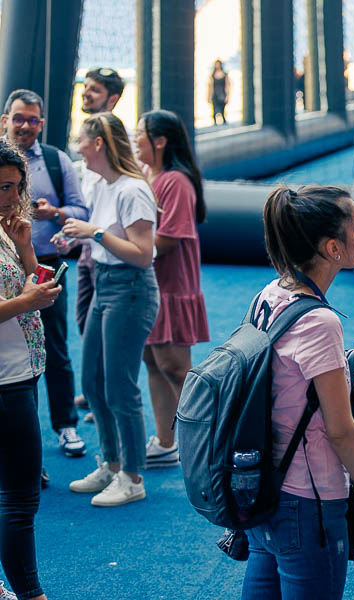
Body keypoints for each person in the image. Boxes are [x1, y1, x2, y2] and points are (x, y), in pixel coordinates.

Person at [240, 185, 354, 599]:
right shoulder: (321, 322)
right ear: (332, 248)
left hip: (266, 488)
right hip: (309, 500)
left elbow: (283, 383)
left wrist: (341, 371)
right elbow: (340, 432)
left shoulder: (270, 295)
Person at [61, 113, 159, 507]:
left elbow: (142, 254)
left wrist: (93, 233)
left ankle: (132, 477)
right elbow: (101, 238)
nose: (77, 146)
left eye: (80, 139)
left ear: (98, 142)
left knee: (119, 387)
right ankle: (113, 462)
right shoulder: (99, 182)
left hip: (130, 290)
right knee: (93, 382)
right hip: (106, 283)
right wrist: (76, 234)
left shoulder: (132, 189)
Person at [2, 89, 89, 459]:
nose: (25, 126)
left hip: (41, 264)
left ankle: (63, 425)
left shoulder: (55, 160)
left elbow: (81, 211)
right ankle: (22, 444)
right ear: (5, 120)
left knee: (50, 346)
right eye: (19, 118)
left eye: (33, 120)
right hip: (14, 269)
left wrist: (54, 212)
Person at [0, 139, 60, 600]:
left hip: (22, 370)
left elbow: (28, 282)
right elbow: (20, 299)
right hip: (6, 380)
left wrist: (24, 249)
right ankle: (32, 595)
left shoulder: (6, 228)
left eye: (15, 187)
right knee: (20, 500)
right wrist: (27, 300)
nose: (9, 197)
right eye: (1, 187)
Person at [134, 110, 210, 468]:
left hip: (172, 286)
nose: (135, 141)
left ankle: (205, 442)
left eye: (140, 135)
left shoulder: (176, 181)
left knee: (176, 367)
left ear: (160, 141)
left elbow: (171, 235)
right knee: (153, 361)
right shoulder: (151, 175)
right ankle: (166, 440)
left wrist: (127, 250)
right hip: (152, 285)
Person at [74, 67, 127, 419]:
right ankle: (95, 386)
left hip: (105, 249)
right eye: (86, 88)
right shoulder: (84, 137)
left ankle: (105, 396)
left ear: (113, 98)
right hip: (87, 247)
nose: (86, 94)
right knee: (85, 319)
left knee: (109, 329)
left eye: (94, 90)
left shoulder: (115, 142)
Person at [208, 59, 231, 125]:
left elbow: (227, 85)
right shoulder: (212, 75)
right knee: (214, 109)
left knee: (222, 109)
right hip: (215, 94)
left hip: (222, 94)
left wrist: (227, 95)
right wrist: (209, 96)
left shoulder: (225, 74)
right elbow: (210, 86)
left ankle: (224, 121)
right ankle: (215, 122)